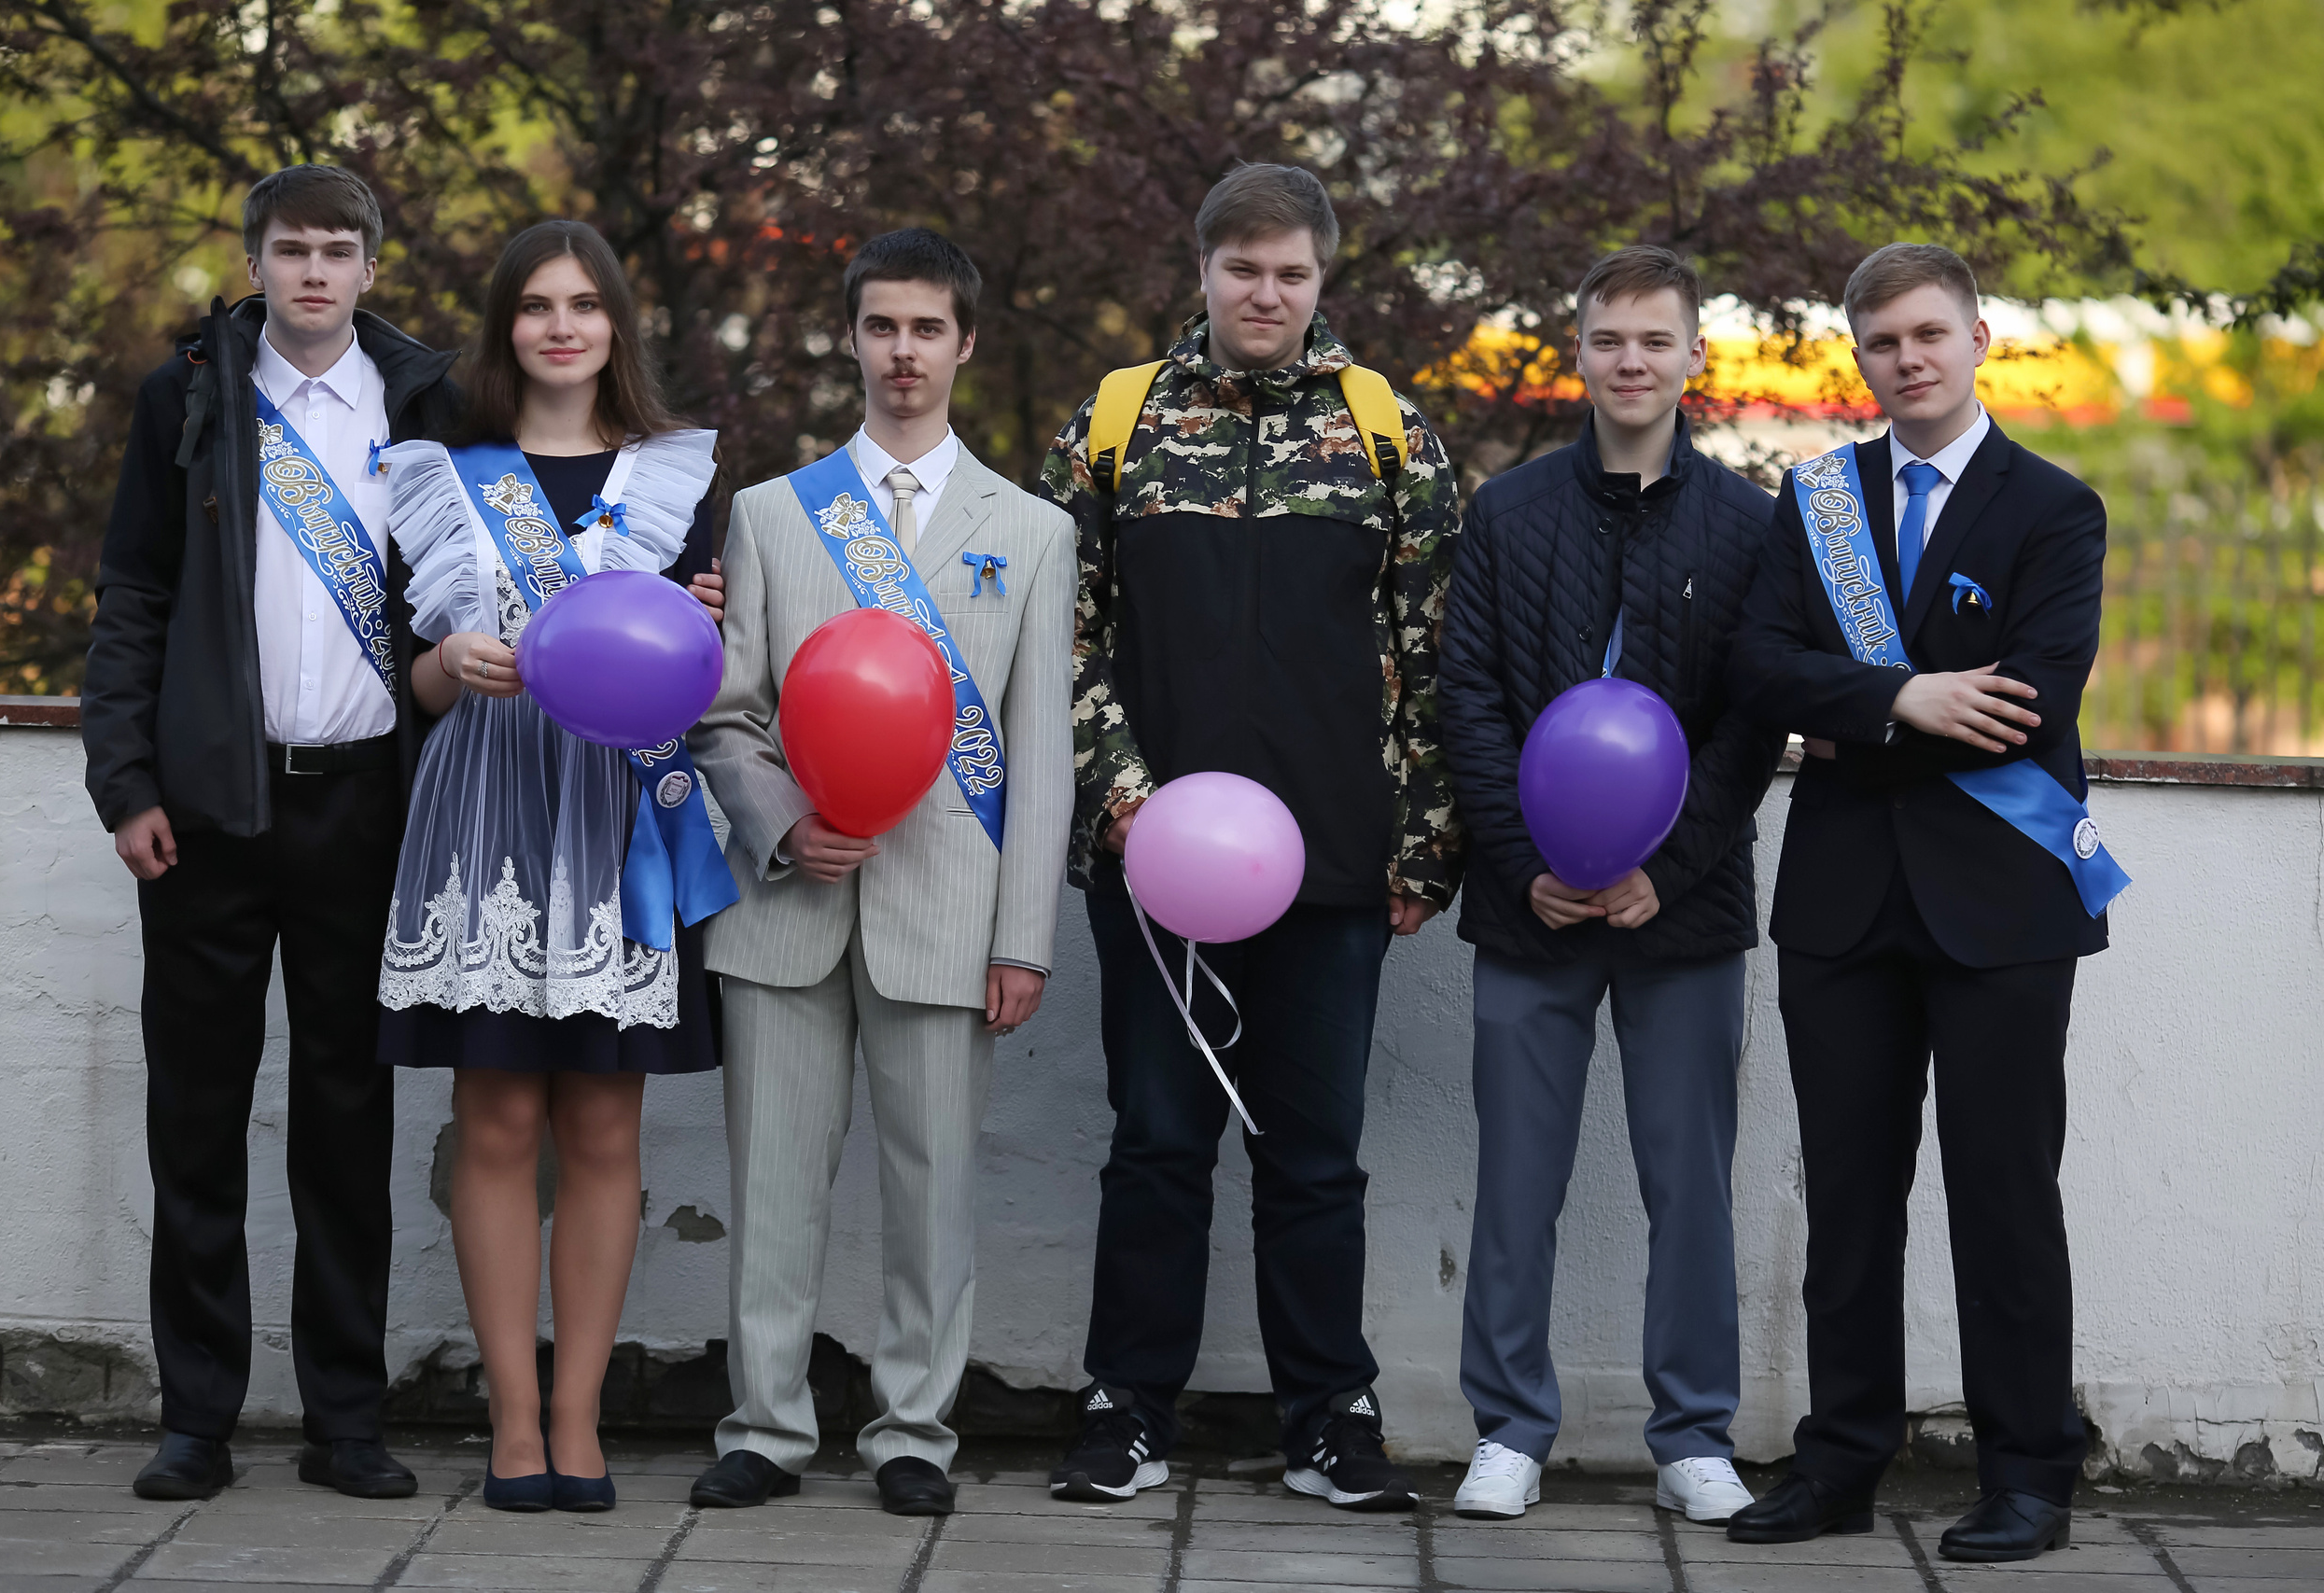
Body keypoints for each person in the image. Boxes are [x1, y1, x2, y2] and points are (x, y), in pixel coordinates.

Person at [1037, 163, 1463, 1512]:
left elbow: (1436, 652)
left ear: (1322, 280)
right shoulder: (1116, 422)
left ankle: (1330, 1420)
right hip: (1153, 860)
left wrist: (1421, 850)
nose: (1263, 293)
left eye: (1289, 272)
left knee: (1315, 1152)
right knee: (1157, 1139)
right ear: (1204, 272)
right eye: (1242, 269)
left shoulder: (1388, 432)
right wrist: (1124, 800)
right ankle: (1128, 1410)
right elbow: (1065, 634)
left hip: (1333, 870)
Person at [1726, 243, 2123, 1563]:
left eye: (1928, 335)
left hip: (2001, 907)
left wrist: (1866, 718)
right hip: (1843, 905)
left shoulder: (2056, 510)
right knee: (1846, 1195)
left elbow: (2034, 700)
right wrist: (1900, 696)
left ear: (1976, 337)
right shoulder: (1819, 501)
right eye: (1883, 342)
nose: (1908, 359)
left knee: (2004, 1192)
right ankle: (1841, 1462)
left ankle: (2028, 1474)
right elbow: (1760, 670)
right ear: (1860, 356)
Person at [684, 228, 1073, 1518]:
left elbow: (1039, 756)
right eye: (880, 327)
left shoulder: (1033, 531)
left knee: (934, 1193)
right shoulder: (770, 516)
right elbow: (724, 718)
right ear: (850, 339)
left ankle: (914, 1433)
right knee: (774, 1185)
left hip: (951, 914)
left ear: (966, 344)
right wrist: (787, 822)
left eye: (927, 329)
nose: (902, 352)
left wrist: (1025, 936)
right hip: (789, 901)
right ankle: (765, 1428)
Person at [82, 165, 451, 1502]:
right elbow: (132, 593)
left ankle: (346, 1418)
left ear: (368, 266)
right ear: (256, 259)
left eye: (336, 251)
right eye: (291, 249)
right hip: (206, 814)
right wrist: (124, 783)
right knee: (197, 1115)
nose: (312, 271)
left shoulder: (426, 402)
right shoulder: (188, 396)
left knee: (348, 1121)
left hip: (367, 805)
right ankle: (199, 1418)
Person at [374, 219, 736, 1513]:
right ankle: (509, 1421)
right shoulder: (438, 472)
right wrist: (444, 667)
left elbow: (714, 675)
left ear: (616, 325)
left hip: (615, 809)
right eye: (537, 305)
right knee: (495, 1118)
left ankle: (580, 1423)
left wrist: (703, 636)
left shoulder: (677, 481)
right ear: (505, 326)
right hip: (485, 806)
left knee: (600, 1121)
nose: (562, 326)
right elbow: (406, 679)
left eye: (585, 303)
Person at [1437, 246, 1782, 1524]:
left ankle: (1693, 1434)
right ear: (1576, 352)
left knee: (1689, 1177)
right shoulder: (1507, 513)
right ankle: (1510, 1431)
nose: (1631, 361)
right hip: (1529, 911)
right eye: (1607, 339)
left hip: (1681, 908)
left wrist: (1664, 863)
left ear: (1697, 357)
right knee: (1518, 1175)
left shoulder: (1751, 524)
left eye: (1655, 340)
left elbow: (1755, 721)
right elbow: (1465, 697)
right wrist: (1528, 864)